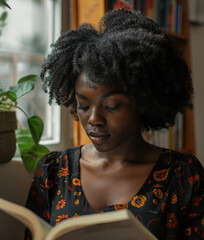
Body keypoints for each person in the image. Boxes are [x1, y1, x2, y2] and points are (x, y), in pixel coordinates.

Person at [25, 9, 203, 239]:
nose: (94, 119)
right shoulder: (53, 171)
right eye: (84, 106)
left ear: (143, 101)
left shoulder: (182, 176)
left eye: (111, 106)